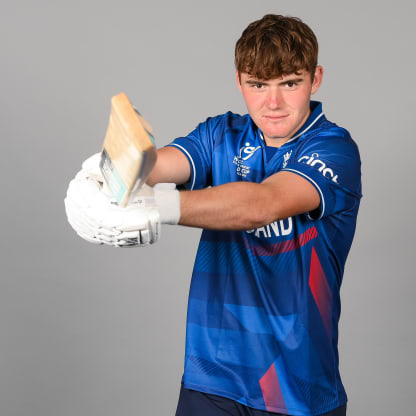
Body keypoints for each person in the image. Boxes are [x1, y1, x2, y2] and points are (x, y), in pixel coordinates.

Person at [65, 14, 361, 416]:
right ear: (239, 80)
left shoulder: (334, 149)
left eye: (289, 83)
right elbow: (156, 166)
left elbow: (261, 205)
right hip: (212, 379)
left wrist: (156, 207)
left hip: (296, 388)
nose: (273, 102)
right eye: (258, 84)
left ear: (315, 78)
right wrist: (104, 173)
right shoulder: (221, 135)